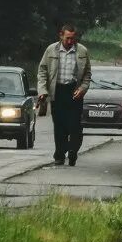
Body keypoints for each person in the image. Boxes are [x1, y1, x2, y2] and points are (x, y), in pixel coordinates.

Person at [37, 24, 92, 167]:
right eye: (67, 38)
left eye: (73, 39)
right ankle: (60, 155)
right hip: (57, 92)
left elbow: (87, 75)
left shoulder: (82, 51)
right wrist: (43, 91)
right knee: (59, 126)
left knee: (75, 126)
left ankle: (73, 151)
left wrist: (82, 88)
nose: (70, 41)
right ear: (61, 35)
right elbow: (42, 71)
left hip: (74, 92)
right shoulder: (51, 50)